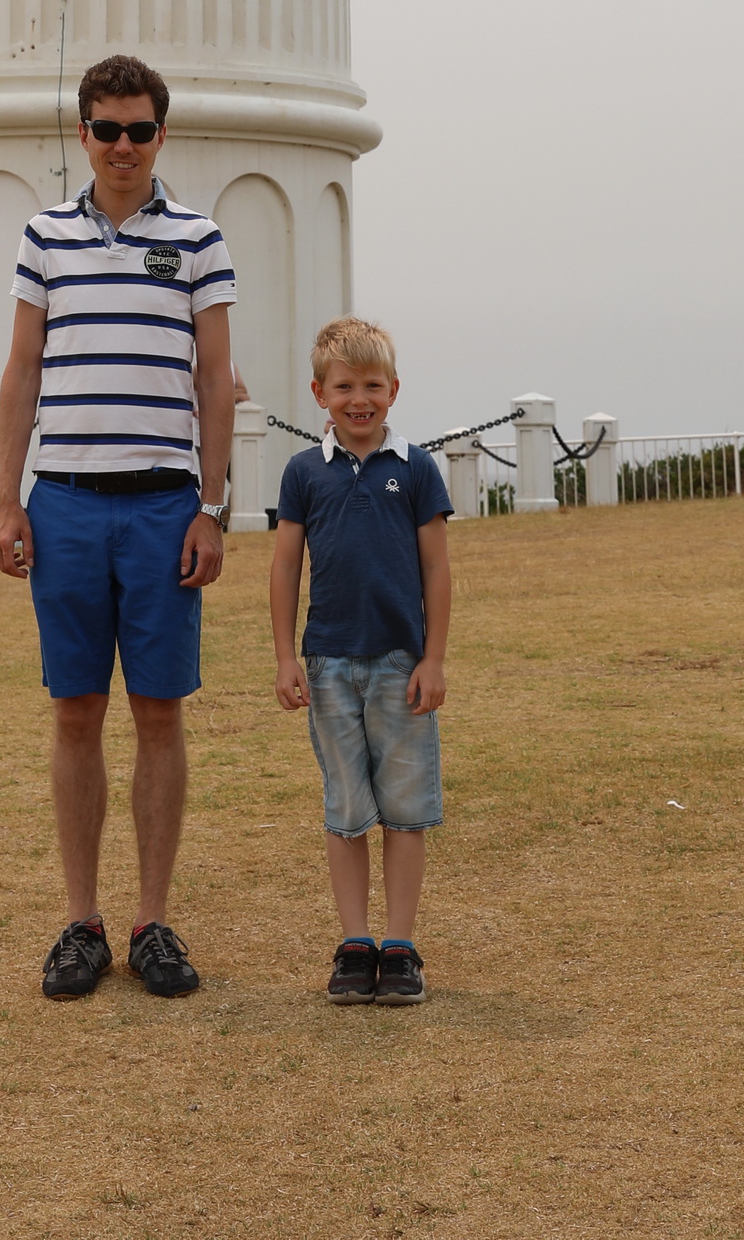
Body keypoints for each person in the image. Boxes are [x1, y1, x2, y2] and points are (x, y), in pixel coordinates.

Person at [0, 52, 237, 1001]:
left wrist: (212, 508)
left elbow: (214, 380)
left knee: (160, 712)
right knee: (75, 709)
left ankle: (154, 921)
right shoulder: (43, 236)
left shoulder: (201, 240)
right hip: (65, 504)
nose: (123, 145)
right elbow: (23, 372)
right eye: (106, 129)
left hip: (165, 503)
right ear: (82, 133)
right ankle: (82, 920)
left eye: (140, 129)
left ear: (161, 134)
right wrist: (9, 499)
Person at [269, 317, 452, 1007]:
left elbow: (437, 567)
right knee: (346, 808)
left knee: (405, 808)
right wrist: (286, 655)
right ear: (320, 393)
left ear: (394, 390)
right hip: (328, 666)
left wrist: (433, 659)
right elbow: (286, 566)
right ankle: (355, 942)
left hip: (401, 664)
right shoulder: (302, 472)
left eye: (372, 386)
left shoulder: (417, 468)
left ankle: (399, 946)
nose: (359, 399)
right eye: (344, 387)